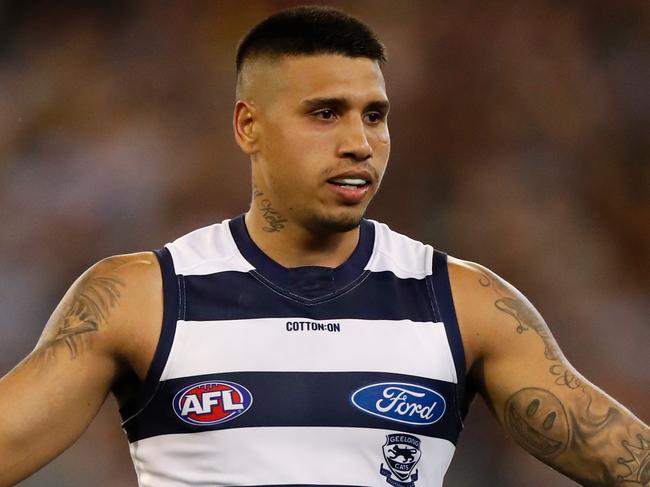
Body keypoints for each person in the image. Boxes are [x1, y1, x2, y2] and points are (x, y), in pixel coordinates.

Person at [0, 5, 647, 487]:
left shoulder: (463, 301)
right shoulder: (142, 298)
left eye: (375, 114)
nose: (359, 143)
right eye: (325, 113)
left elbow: (622, 456)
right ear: (248, 124)